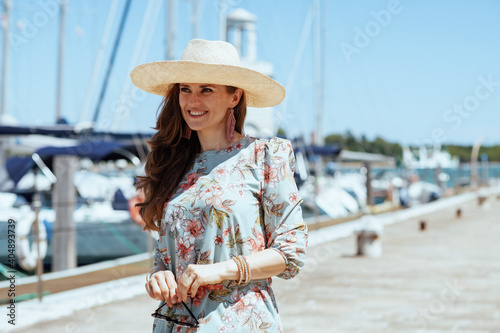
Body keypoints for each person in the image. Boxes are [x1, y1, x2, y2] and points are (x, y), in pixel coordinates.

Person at [131, 39, 307, 332]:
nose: (192, 101)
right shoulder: (173, 164)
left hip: (239, 322)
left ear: (234, 97)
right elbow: (164, 258)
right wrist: (157, 278)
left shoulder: (265, 156)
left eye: (206, 90)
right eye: (185, 89)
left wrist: (218, 271)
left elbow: (291, 254)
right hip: (175, 324)